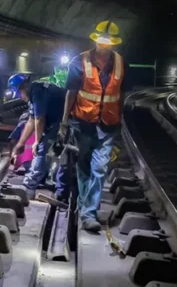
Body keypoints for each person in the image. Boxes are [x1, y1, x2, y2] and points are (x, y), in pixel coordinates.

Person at [60, 20, 125, 232]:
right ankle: (84, 206)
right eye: (101, 42)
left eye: (109, 43)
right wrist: (63, 122)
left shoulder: (121, 63)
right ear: (95, 40)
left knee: (99, 168)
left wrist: (121, 121)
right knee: (84, 167)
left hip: (107, 126)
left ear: (114, 44)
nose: (104, 46)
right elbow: (71, 92)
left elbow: (122, 95)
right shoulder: (80, 62)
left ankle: (89, 213)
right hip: (83, 124)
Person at [9, 74, 70, 203]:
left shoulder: (38, 92)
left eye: (19, 94)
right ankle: (58, 189)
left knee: (43, 149)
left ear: (23, 87)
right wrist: (21, 144)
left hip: (64, 122)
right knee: (51, 151)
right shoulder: (35, 91)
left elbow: (40, 120)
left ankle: (28, 188)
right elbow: (32, 119)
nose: (20, 97)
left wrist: (36, 141)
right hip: (58, 122)